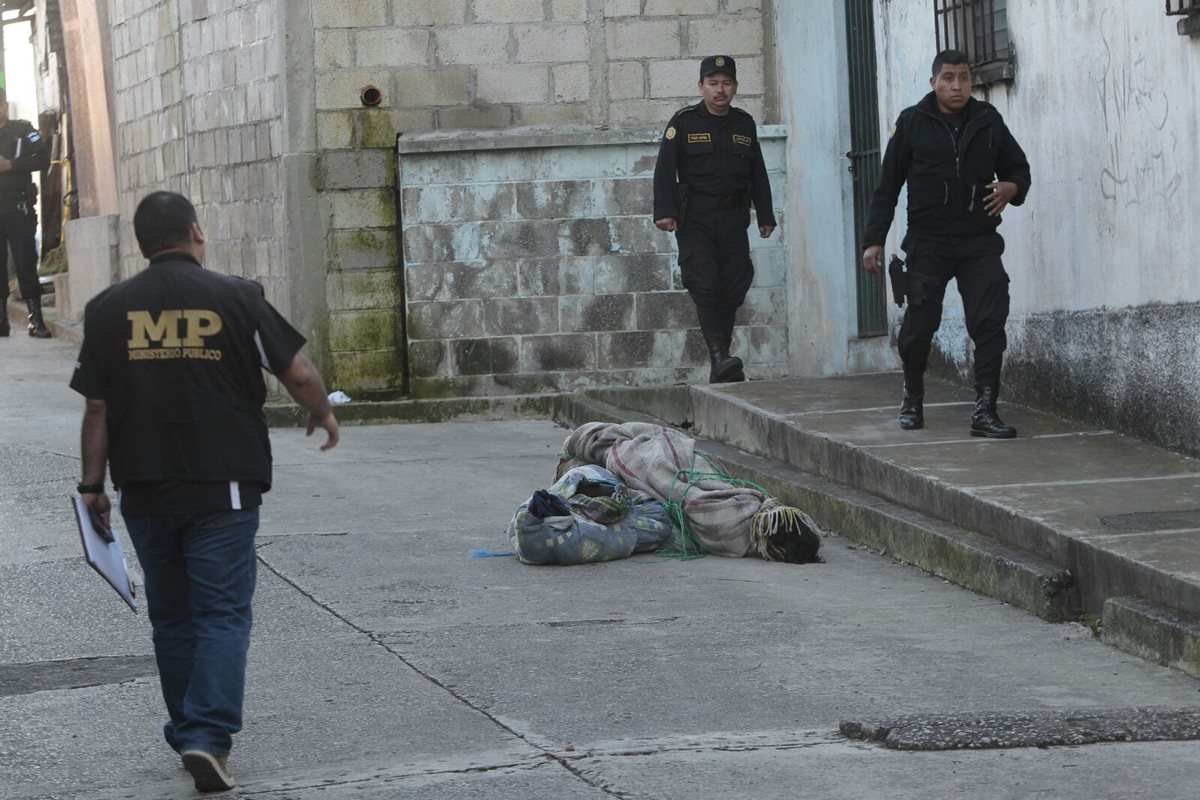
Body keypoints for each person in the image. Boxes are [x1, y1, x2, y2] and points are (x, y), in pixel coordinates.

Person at [70, 191, 340, 792]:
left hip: (145, 487)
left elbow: (97, 407)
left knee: (172, 616)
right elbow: (297, 372)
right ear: (196, 232)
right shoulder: (237, 297)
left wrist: (92, 486)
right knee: (220, 611)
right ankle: (207, 736)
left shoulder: (108, 309)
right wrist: (322, 412)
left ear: (141, 244)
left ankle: (190, 729)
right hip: (225, 484)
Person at [862, 49, 1031, 439]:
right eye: (949, 78)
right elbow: (887, 188)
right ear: (934, 82)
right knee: (919, 328)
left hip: (978, 241)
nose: (957, 86)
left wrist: (1013, 187)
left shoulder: (987, 120)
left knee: (989, 322)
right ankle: (913, 395)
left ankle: (985, 410)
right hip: (928, 243)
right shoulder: (912, 123)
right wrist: (874, 241)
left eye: (964, 78)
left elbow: (1018, 167)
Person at [653, 55, 776, 384]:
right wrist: (664, 211)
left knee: (733, 286)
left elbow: (757, 171)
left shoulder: (744, 124)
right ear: (701, 86)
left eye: (726, 83)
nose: (720, 90)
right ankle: (720, 355)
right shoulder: (684, 122)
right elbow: (665, 168)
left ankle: (720, 362)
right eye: (713, 83)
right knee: (706, 283)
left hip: (734, 217)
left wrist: (765, 214)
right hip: (696, 218)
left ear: (735, 87)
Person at [0, 90, 51, 337]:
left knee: (25, 261)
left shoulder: (22, 130)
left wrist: (11, 165)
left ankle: (35, 319)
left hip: (18, 206)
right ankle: (1, 320)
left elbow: (43, 158)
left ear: (4, 106)